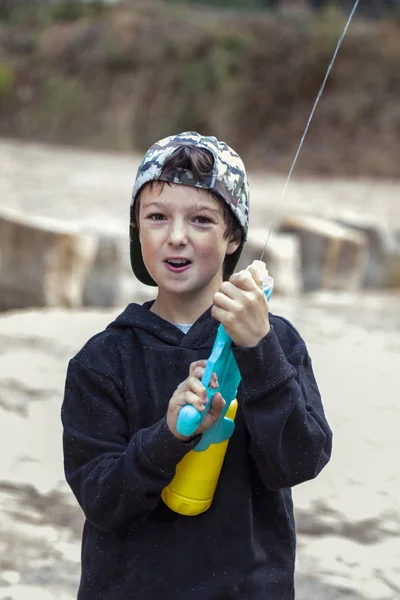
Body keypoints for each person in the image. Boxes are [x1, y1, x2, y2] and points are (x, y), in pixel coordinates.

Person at [61, 131, 332, 600]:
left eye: (202, 219)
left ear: (233, 239)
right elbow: (102, 500)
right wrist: (168, 438)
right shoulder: (101, 361)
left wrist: (259, 353)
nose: (177, 237)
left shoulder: (275, 340)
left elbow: (300, 460)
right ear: (137, 231)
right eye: (157, 217)